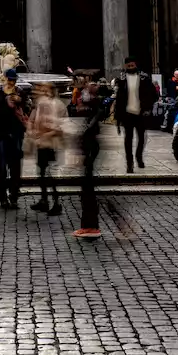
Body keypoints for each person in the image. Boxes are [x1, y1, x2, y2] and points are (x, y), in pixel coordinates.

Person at [0, 68, 28, 208]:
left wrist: (20, 102)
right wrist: (6, 103)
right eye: (10, 79)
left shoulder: (21, 92)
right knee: (2, 167)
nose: (12, 82)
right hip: (1, 135)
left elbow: (25, 112)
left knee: (15, 167)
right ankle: (3, 196)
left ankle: (14, 196)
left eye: (14, 80)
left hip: (16, 135)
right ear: (4, 78)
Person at [27, 82, 66, 215]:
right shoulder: (41, 103)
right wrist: (32, 131)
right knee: (43, 173)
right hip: (43, 144)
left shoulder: (56, 105)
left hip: (51, 144)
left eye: (44, 89)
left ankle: (56, 203)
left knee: (49, 174)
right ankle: (44, 200)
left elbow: (59, 127)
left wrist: (42, 136)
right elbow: (32, 120)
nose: (41, 91)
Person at [113, 57, 157, 172]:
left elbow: (153, 94)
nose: (131, 68)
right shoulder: (121, 80)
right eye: (129, 66)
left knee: (141, 137)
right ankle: (129, 162)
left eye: (133, 65)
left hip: (140, 113)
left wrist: (148, 107)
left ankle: (139, 156)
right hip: (127, 114)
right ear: (126, 66)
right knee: (128, 138)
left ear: (136, 65)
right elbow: (118, 99)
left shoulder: (144, 78)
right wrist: (117, 117)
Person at [74, 81, 106, 238]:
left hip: (91, 148)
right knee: (87, 188)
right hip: (90, 148)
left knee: (88, 189)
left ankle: (90, 227)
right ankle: (89, 226)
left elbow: (89, 131)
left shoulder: (95, 111)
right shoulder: (92, 113)